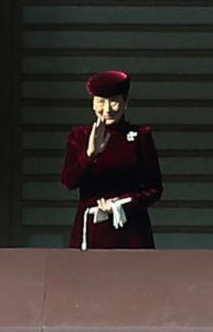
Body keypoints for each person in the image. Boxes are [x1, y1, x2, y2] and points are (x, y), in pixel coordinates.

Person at [60, 70, 161, 250]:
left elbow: (154, 189)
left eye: (114, 101)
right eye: (100, 101)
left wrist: (120, 205)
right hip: (91, 230)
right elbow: (68, 181)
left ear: (125, 102)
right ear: (92, 104)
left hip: (132, 232)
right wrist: (89, 154)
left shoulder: (140, 136)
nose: (107, 109)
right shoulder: (80, 136)